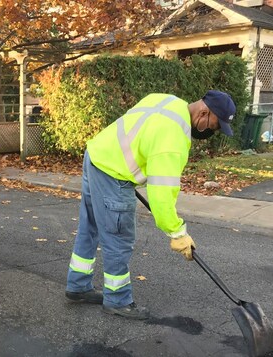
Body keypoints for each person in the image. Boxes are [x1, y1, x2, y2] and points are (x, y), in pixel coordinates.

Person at [65, 90, 236, 320]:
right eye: (214, 126)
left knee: (91, 226)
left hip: (97, 156)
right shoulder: (173, 137)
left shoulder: (168, 100)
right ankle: (117, 300)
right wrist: (178, 232)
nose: (212, 132)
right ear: (204, 112)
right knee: (118, 236)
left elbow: (137, 130)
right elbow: (161, 196)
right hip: (113, 172)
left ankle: (78, 286)